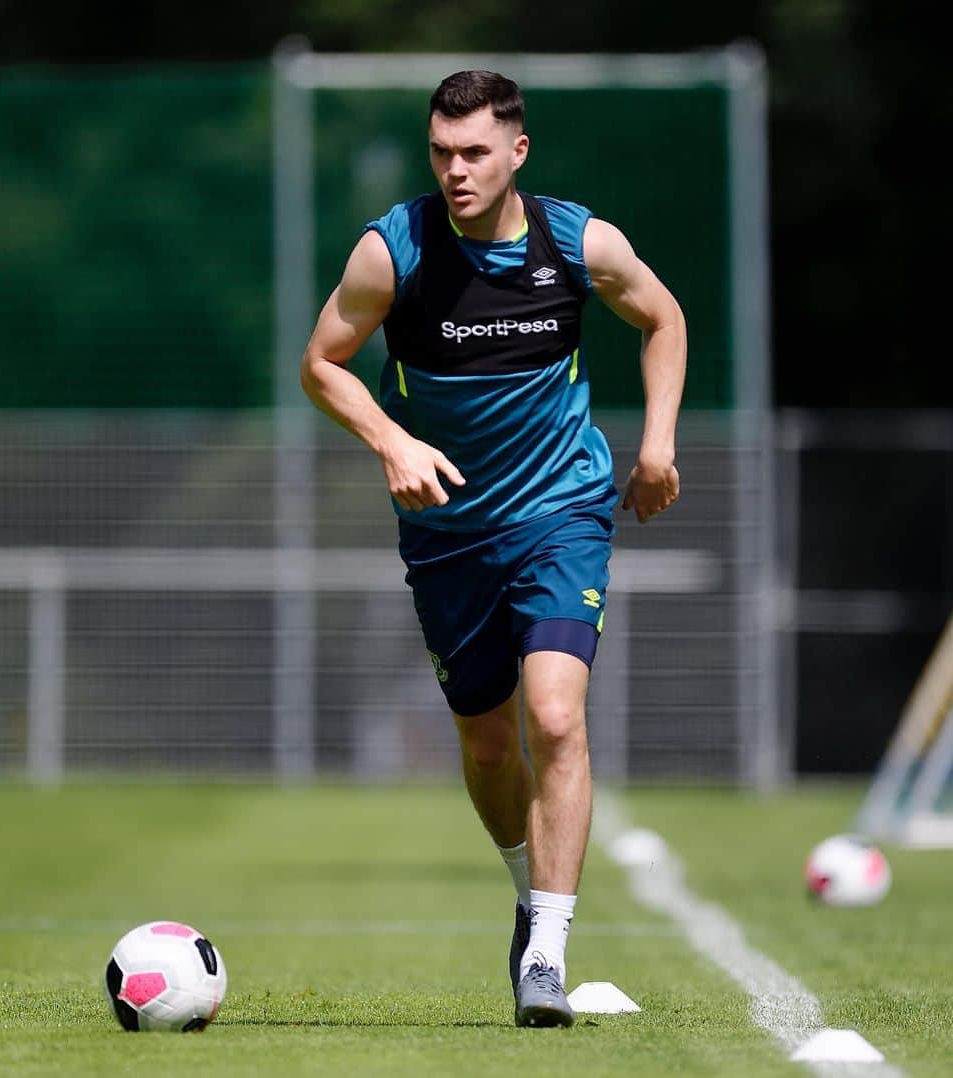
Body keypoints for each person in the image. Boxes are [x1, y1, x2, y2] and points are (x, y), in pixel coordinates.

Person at [300, 70, 685, 1028]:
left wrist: (657, 446)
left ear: (518, 151)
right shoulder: (395, 252)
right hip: (447, 536)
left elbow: (663, 318)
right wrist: (392, 439)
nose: (455, 170)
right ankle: (528, 897)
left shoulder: (578, 244)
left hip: (562, 511)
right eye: (441, 152)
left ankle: (546, 954)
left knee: (554, 717)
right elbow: (321, 364)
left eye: (474, 152)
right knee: (485, 735)